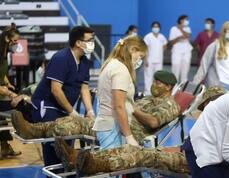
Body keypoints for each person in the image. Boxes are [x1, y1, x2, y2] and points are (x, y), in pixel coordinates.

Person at [52, 86, 227, 177]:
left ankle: (93, 165)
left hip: (197, 164)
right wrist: (171, 149)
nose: (209, 106)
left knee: (143, 156)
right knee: (133, 151)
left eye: (214, 101)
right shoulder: (209, 121)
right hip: (187, 156)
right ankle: (79, 159)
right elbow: (188, 145)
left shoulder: (228, 124)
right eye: (207, 103)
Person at [12, 70, 181, 146]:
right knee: (76, 121)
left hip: (125, 133)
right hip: (114, 124)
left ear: (168, 87)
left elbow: (153, 122)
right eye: (154, 81)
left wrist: (132, 109)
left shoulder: (170, 105)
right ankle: (33, 129)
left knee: (75, 124)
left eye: (158, 83)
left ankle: (32, 131)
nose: (154, 85)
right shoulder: (149, 98)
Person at [91, 35, 147, 178]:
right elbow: (118, 106)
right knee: (107, 175)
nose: (140, 61)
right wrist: (129, 135)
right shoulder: (121, 69)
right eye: (140, 56)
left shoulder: (113, 64)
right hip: (112, 126)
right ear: (132, 51)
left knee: (115, 175)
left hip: (110, 125)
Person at [30, 25, 95, 178]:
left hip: (64, 107)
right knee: (55, 141)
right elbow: (56, 90)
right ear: (78, 42)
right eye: (89, 40)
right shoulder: (61, 58)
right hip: (47, 104)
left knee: (70, 140)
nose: (92, 43)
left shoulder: (85, 62)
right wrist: (73, 112)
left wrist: (90, 111)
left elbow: (84, 88)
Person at [0, 25, 22, 159]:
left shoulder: (4, 52)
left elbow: (1, 73)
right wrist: (9, 93)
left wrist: (7, 83)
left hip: (2, 90)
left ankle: (5, 147)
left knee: (2, 120)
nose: (16, 44)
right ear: (7, 38)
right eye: (14, 41)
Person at [143, 22, 167, 96]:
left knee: (158, 77)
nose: (155, 28)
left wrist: (161, 51)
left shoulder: (162, 37)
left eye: (157, 27)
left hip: (159, 60)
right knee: (148, 76)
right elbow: (145, 48)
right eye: (154, 27)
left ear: (159, 28)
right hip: (149, 60)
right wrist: (145, 59)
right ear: (151, 27)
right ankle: (147, 93)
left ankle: (157, 92)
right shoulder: (148, 36)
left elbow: (165, 44)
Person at [169, 15, 193, 83]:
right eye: (186, 19)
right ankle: (174, 87)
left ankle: (183, 88)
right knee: (175, 68)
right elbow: (171, 42)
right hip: (176, 51)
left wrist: (181, 29)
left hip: (186, 50)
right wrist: (178, 38)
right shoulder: (173, 29)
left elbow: (188, 36)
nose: (187, 21)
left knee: (185, 70)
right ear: (181, 20)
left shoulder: (188, 28)